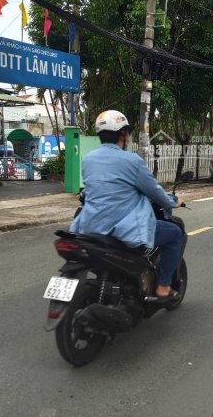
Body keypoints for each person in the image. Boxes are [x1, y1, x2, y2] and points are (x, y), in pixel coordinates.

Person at [69, 110, 185, 300]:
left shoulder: (88, 159)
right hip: (122, 230)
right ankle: (163, 287)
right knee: (175, 234)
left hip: (89, 227)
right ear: (123, 134)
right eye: (128, 133)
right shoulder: (132, 161)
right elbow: (155, 192)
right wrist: (174, 201)